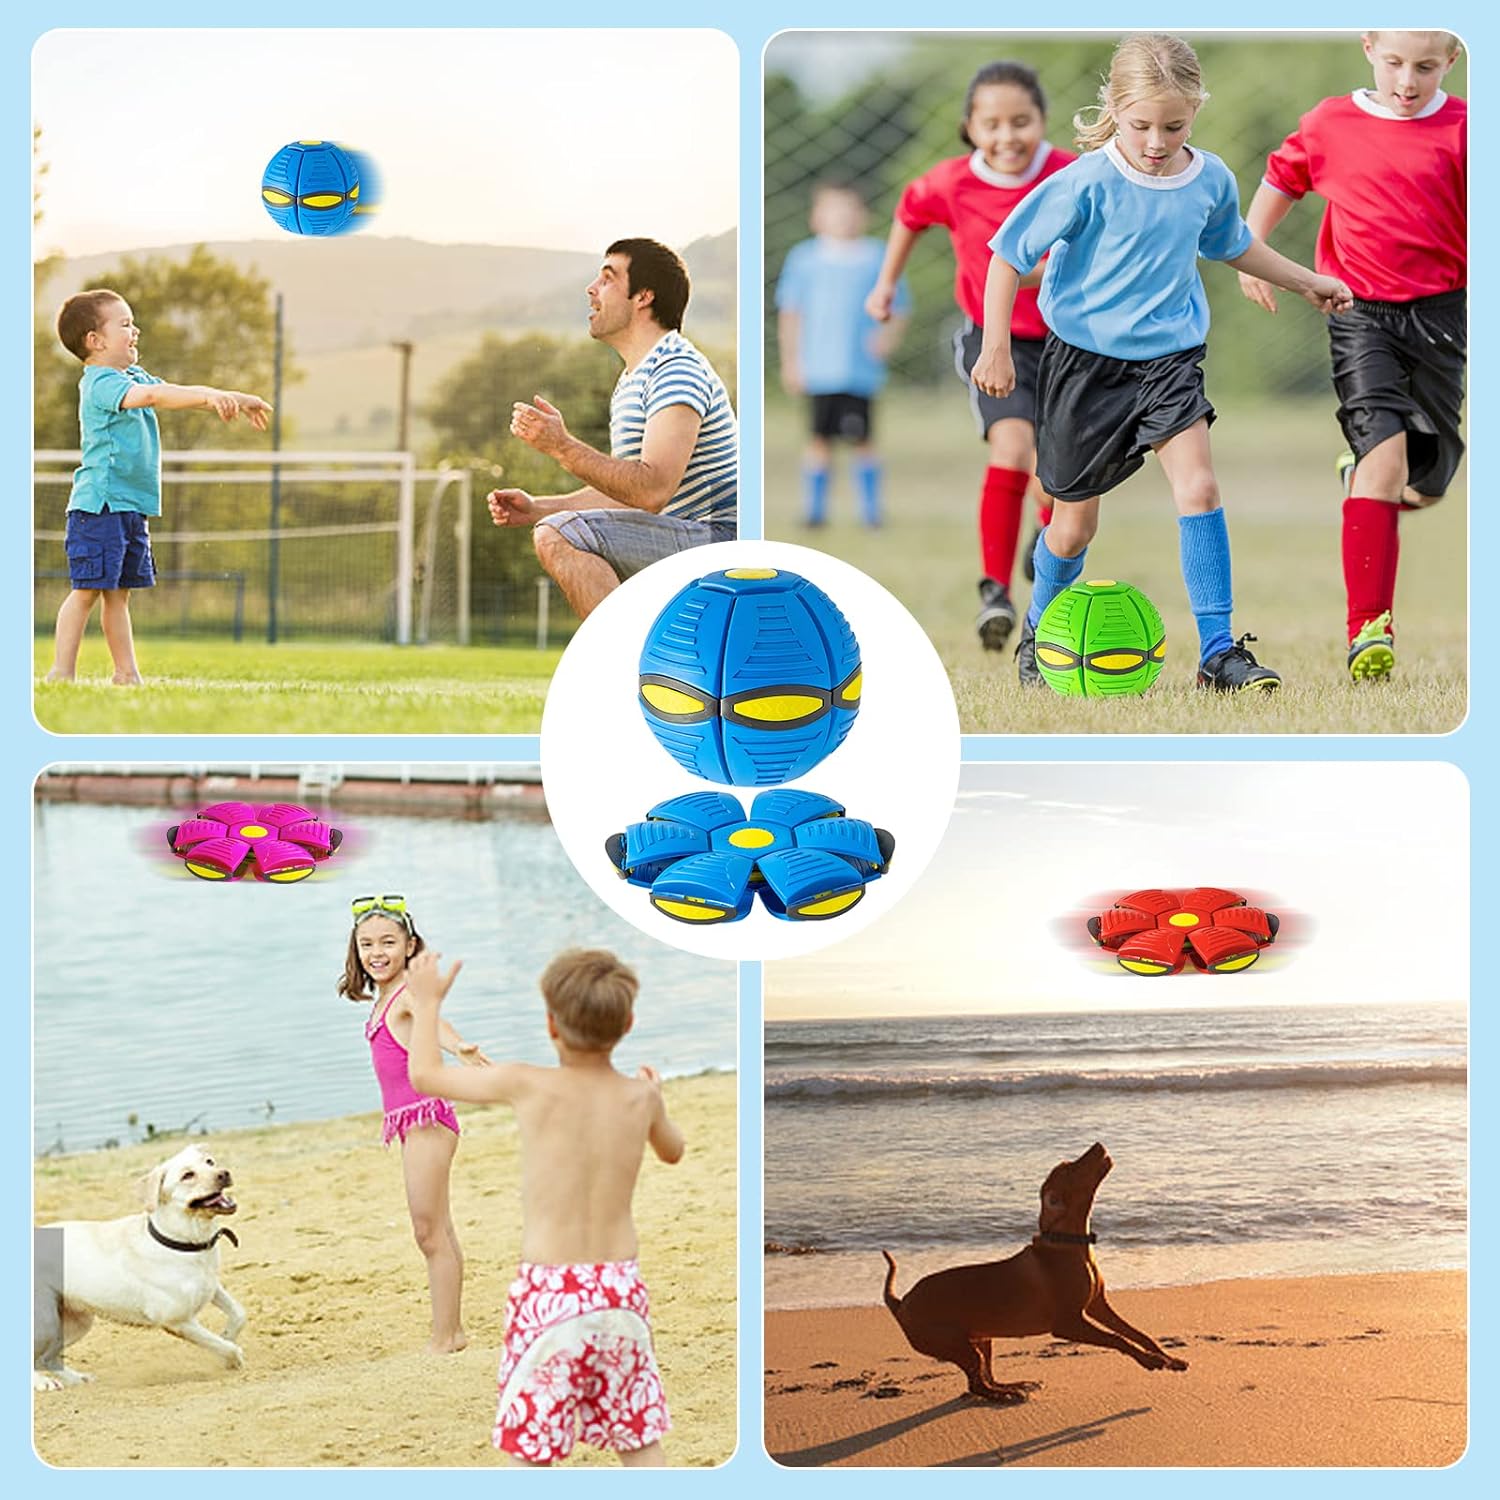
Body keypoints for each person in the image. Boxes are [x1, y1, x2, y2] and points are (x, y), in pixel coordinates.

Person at [973, 34, 1354, 693]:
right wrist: (997, 344)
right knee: (1072, 526)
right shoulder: (1086, 181)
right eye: (1142, 124)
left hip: (1170, 362)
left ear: (1196, 111)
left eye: (1173, 125)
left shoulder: (1208, 178)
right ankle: (1038, 632)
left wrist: (1304, 280)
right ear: (1114, 109)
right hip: (1084, 368)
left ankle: (1217, 653)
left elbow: (1232, 243)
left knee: (1199, 488)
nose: (1156, 141)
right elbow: (1007, 254)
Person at [1238, 30, 1465, 682]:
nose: (1407, 80)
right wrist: (1253, 247)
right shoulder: (1331, 121)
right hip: (1357, 311)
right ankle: (1370, 631)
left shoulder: (1466, 129)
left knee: (1426, 483)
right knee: (1384, 463)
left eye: (1425, 66)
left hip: (1443, 316)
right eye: (1395, 62)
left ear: (1453, 59)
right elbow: (1282, 176)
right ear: (1369, 47)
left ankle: (1364, 480)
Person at [405, 946, 685, 1468]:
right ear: (628, 1023)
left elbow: (423, 1076)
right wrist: (655, 1095)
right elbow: (673, 1150)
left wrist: (425, 1006)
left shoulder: (527, 1082)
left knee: (532, 1446)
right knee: (638, 1437)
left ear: (552, 1025)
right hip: (621, 1291)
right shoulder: (640, 1098)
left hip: (551, 1292)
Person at [866, 60, 1075, 651]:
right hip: (995, 339)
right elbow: (909, 213)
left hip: (1073, 343)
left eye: (1021, 121)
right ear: (970, 128)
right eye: (992, 124)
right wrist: (886, 283)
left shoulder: (1071, 174)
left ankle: (1046, 549)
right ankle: (995, 592)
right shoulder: (950, 181)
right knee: (1013, 449)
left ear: (1042, 120)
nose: (1007, 136)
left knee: (1058, 477)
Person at [488, 239, 737, 619]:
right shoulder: (635, 377)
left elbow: (651, 489)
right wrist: (540, 507)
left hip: (721, 539)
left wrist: (562, 446)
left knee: (561, 535)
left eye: (607, 279)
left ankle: (621, 666)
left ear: (644, 297)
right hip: (685, 535)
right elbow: (629, 491)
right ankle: (633, 662)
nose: (591, 289)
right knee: (555, 527)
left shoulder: (676, 369)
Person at [46, 289, 271, 684]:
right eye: (126, 324)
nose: (136, 330)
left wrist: (235, 398)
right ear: (95, 341)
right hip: (100, 505)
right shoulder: (100, 383)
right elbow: (153, 397)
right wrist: (212, 395)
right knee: (86, 591)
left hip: (130, 506)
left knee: (119, 594)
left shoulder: (133, 376)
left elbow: (180, 393)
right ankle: (61, 672)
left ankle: (126, 674)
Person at [338, 895, 490, 1354]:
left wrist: (458, 1047)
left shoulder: (405, 993)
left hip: (427, 1119)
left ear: (409, 946)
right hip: (411, 1122)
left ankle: (446, 1336)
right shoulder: (385, 995)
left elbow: (432, 1020)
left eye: (388, 941)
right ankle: (452, 1332)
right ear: (356, 950)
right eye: (367, 944)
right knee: (437, 1229)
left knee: (428, 1231)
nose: (377, 952)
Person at [776, 183, 908, 527]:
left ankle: (871, 512)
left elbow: (900, 307)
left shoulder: (878, 256)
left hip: (859, 371)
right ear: (816, 217)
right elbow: (791, 313)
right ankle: (814, 513)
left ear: (863, 216)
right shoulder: (804, 258)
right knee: (819, 440)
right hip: (819, 370)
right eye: (833, 210)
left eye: (850, 210)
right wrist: (792, 362)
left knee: (863, 440)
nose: (842, 218)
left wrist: (887, 338)